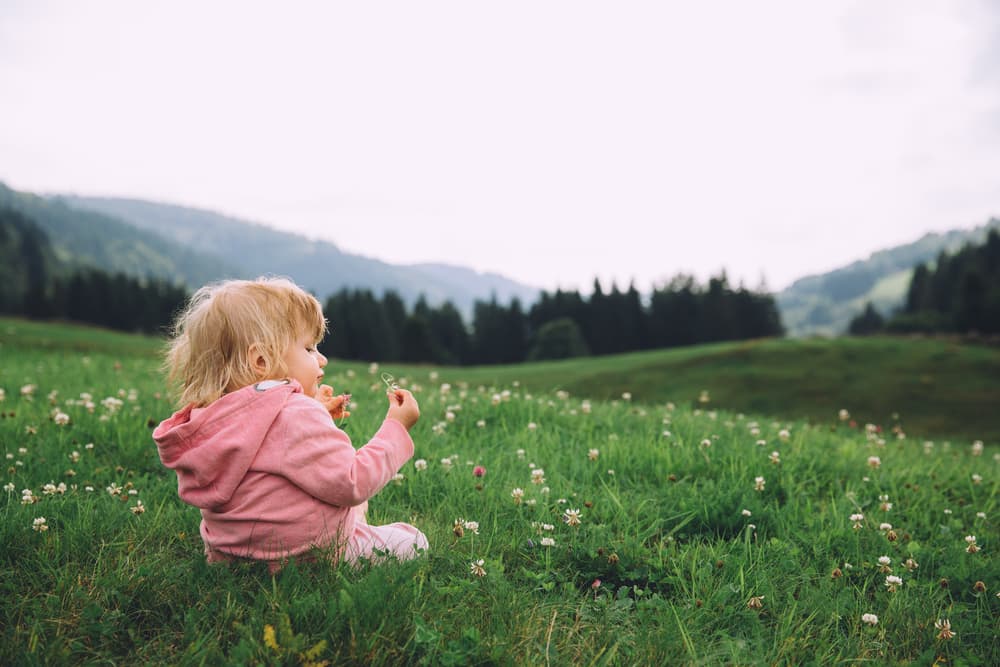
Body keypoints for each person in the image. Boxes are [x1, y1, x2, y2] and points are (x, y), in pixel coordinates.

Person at [153, 276, 427, 572]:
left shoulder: (215, 416)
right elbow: (352, 481)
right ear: (261, 361)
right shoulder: (296, 415)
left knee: (355, 509)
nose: (321, 360)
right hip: (308, 556)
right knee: (414, 542)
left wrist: (314, 409)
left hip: (229, 558)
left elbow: (269, 443)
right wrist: (396, 427)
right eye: (308, 349)